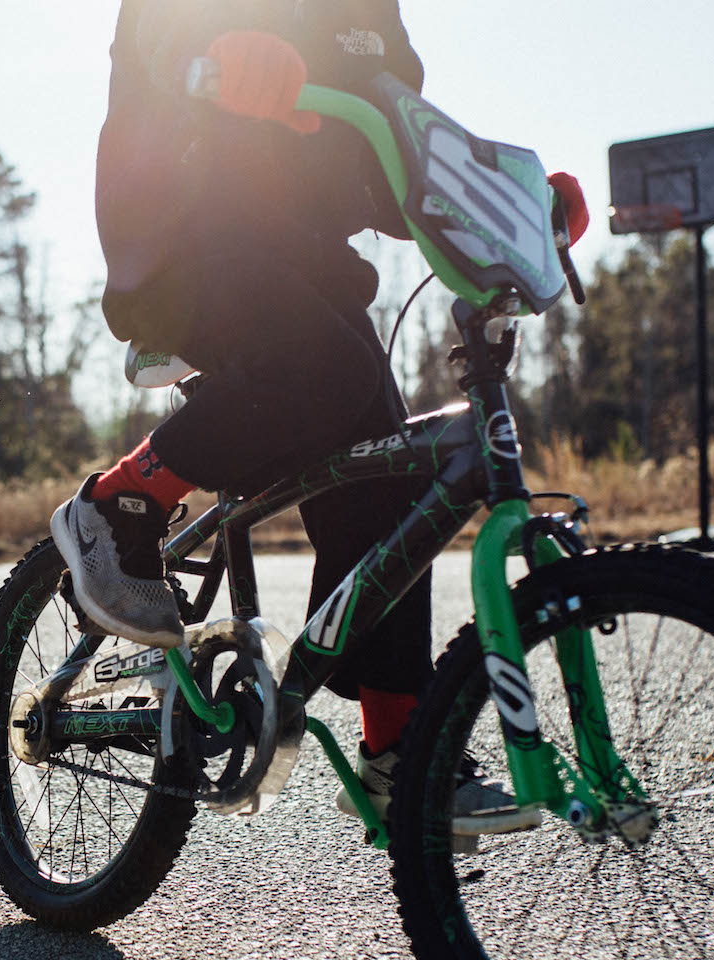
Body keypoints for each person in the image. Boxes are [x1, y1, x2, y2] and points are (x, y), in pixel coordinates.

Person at [52, 0, 536, 833]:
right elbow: (159, 36)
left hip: (310, 261)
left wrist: (510, 202)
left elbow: (402, 143)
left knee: (395, 475)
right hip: (191, 241)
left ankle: (399, 748)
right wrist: (221, 50)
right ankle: (120, 501)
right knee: (329, 367)